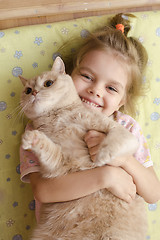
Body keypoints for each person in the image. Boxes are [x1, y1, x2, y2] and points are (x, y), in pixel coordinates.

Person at [20, 13, 160, 222]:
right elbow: (44, 191)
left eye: (111, 88)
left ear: (122, 100)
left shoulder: (124, 126)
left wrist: (124, 160)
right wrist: (107, 177)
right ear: (67, 75)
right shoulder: (38, 128)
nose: (95, 91)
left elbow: (153, 193)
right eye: (87, 77)